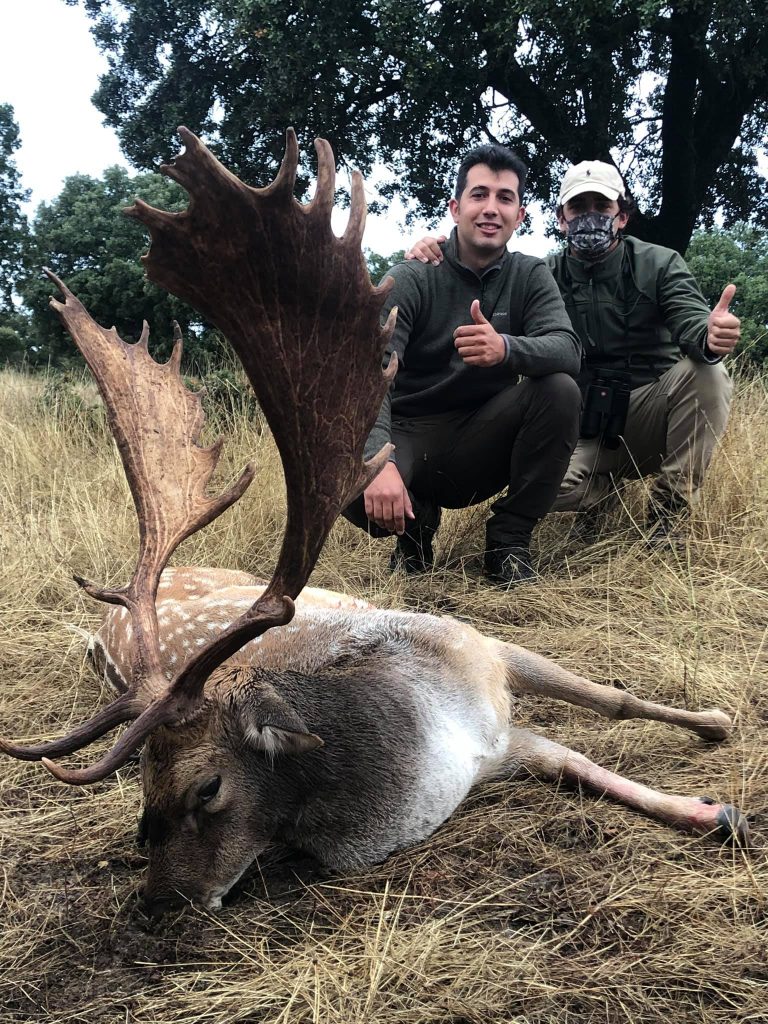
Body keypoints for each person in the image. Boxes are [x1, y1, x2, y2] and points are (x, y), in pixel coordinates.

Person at [407, 160, 740, 542]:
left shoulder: (660, 263)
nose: (590, 218)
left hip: (648, 413)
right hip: (580, 425)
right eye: (578, 209)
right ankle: (603, 495)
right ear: (561, 219)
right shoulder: (538, 275)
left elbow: (693, 322)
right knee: (546, 489)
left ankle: (668, 518)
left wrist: (711, 336)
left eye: (602, 207)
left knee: (708, 374)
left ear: (623, 217)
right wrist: (437, 253)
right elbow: (478, 291)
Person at [343, 144, 582, 586]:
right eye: (479, 195)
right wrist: (379, 463)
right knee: (343, 471)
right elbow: (366, 374)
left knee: (560, 390)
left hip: (479, 438)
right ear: (455, 208)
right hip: (407, 434)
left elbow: (567, 349)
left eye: (505, 198)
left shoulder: (530, 275)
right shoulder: (412, 275)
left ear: (520, 215)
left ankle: (509, 541)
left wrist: (505, 348)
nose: (491, 209)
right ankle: (414, 535)